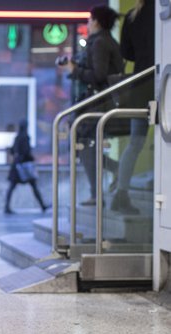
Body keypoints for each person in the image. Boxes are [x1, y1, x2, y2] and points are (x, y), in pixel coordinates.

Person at [63, 5, 122, 206]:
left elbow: (99, 75)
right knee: (86, 146)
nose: (88, 23)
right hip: (96, 104)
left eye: (90, 19)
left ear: (96, 21)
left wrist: (75, 70)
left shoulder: (100, 43)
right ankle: (105, 182)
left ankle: (98, 192)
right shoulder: (103, 41)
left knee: (86, 145)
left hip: (98, 104)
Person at [111, 0, 154, 214]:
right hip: (162, 80)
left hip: (141, 83)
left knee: (135, 142)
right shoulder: (163, 11)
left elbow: (126, 52)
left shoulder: (132, 15)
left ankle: (121, 193)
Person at [4, 120, 49, 214]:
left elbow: (13, 150)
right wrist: (31, 159)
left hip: (17, 165)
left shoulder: (17, 137)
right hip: (24, 166)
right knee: (33, 186)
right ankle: (42, 206)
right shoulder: (25, 137)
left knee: (12, 187)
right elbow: (26, 151)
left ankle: (6, 207)